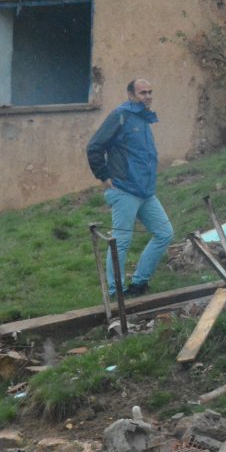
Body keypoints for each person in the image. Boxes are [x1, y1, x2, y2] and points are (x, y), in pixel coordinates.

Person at [86, 79, 174, 297]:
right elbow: (94, 147)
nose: (148, 96)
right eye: (143, 93)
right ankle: (116, 292)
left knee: (164, 233)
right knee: (121, 242)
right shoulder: (120, 115)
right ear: (131, 95)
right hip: (124, 189)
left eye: (150, 92)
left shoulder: (143, 117)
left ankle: (139, 283)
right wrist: (103, 176)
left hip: (145, 191)